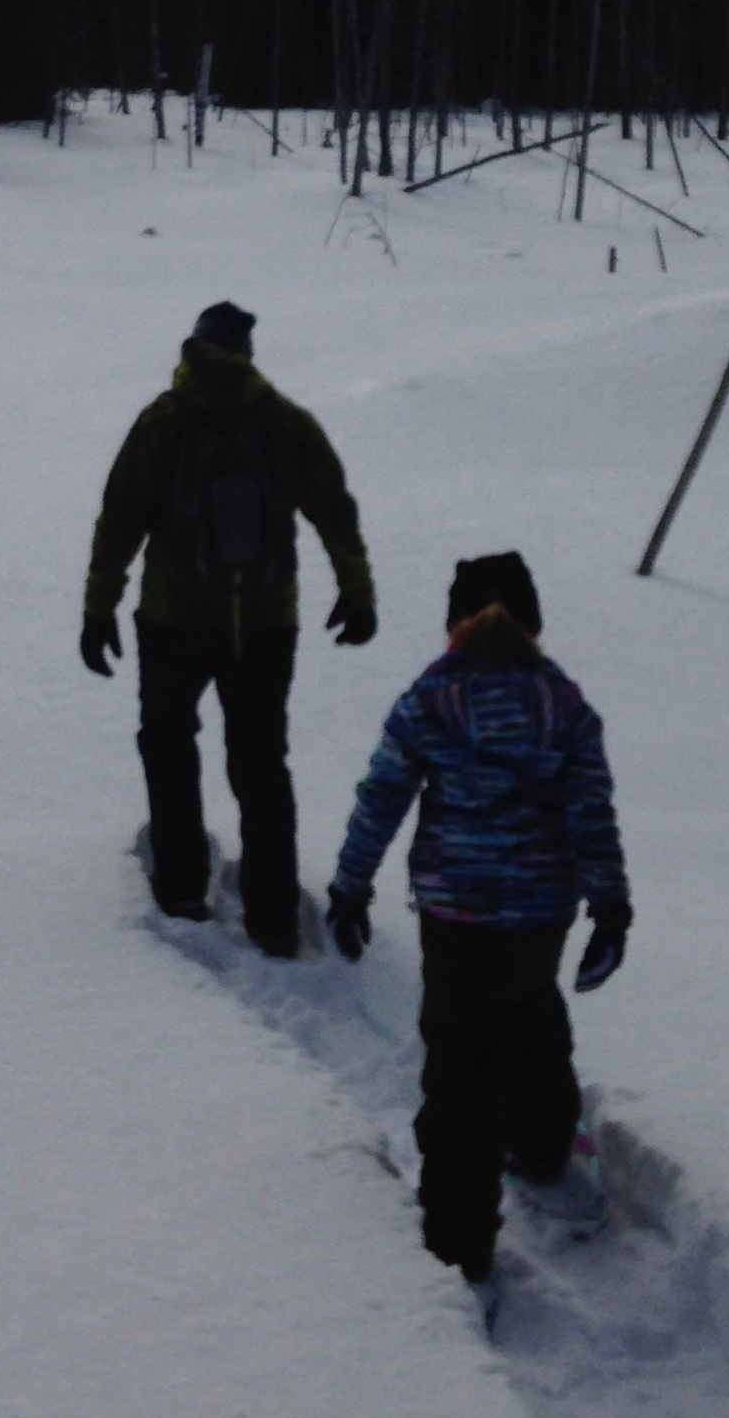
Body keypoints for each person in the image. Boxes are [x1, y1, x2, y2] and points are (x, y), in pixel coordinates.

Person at [324, 550, 630, 1288]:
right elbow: (590, 810)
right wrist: (610, 906)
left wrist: (349, 886)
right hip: (537, 917)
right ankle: (545, 1150)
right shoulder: (562, 701)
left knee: (459, 1066)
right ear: (533, 621)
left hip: (456, 913)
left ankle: (460, 1245)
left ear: (451, 624)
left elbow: (382, 797)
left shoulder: (430, 698)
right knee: (530, 1019)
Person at [83, 300, 377, 956]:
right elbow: (335, 510)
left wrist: (97, 610)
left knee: (168, 743)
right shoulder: (283, 422)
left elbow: (119, 519)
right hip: (266, 623)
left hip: (172, 619)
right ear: (246, 354)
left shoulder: (163, 421)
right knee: (260, 761)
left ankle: (183, 884)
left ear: (192, 349)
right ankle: (273, 914)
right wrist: (357, 595)